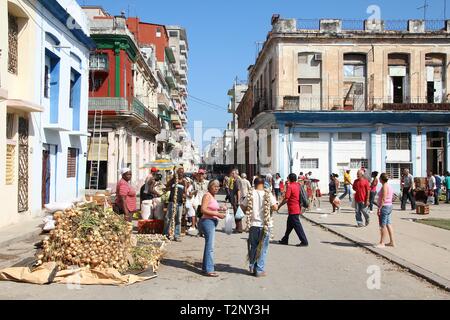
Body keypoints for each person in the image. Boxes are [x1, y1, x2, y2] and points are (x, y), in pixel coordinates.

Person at [241, 177, 278, 277]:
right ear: (264, 183)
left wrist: (248, 211)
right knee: (262, 248)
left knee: (253, 246)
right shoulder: (268, 194)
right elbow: (275, 207)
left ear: (254, 183)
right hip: (265, 225)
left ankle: (252, 267)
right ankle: (259, 270)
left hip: (253, 225)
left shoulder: (250, 194)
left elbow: (242, 206)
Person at [199, 180, 226, 277]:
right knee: (210, 246)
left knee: (209, 245)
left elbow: (211, 208)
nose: (217, 188)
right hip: (207, 222)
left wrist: (220, 209)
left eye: (218, 186)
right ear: (210, 186)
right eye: (215, 186)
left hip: (211, 222)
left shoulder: (212, 196)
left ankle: (205, 267)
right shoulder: (207, 195)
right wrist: (217, 214)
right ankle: (209, 269)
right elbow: (203, 209)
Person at [278, 173, 309, 247]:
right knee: (289, 225)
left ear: (289, 179)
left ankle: (304, 241)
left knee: (298, 227)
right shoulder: (298, 185)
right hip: (297, 208)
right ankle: (285, 239)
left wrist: (279, 206)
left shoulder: (290, 186)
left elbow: (286, 198)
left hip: (293, 209)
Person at [164, 167, 189, 241]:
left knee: (178, 219)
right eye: (179, 172)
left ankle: (176, 235)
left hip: (180, 203)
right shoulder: (173, 180)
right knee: (168, 218)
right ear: (177, 173)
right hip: (172, 202)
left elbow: (185, 192)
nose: (181, 173)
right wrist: (173, 179)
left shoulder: (184, 182)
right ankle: (166, 234)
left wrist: (184, 196)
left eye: (182, 172)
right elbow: (167, 186)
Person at [376, 173, 395, 248]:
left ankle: (382, 243)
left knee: (382, 225)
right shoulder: (389, 186)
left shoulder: (384, 186)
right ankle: (392, 242)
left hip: (384, 207)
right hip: (389, 206)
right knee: (388, 224)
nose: (379, 179)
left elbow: (383, 198)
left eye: (379, 178)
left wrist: (379, 208)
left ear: (381, 179)